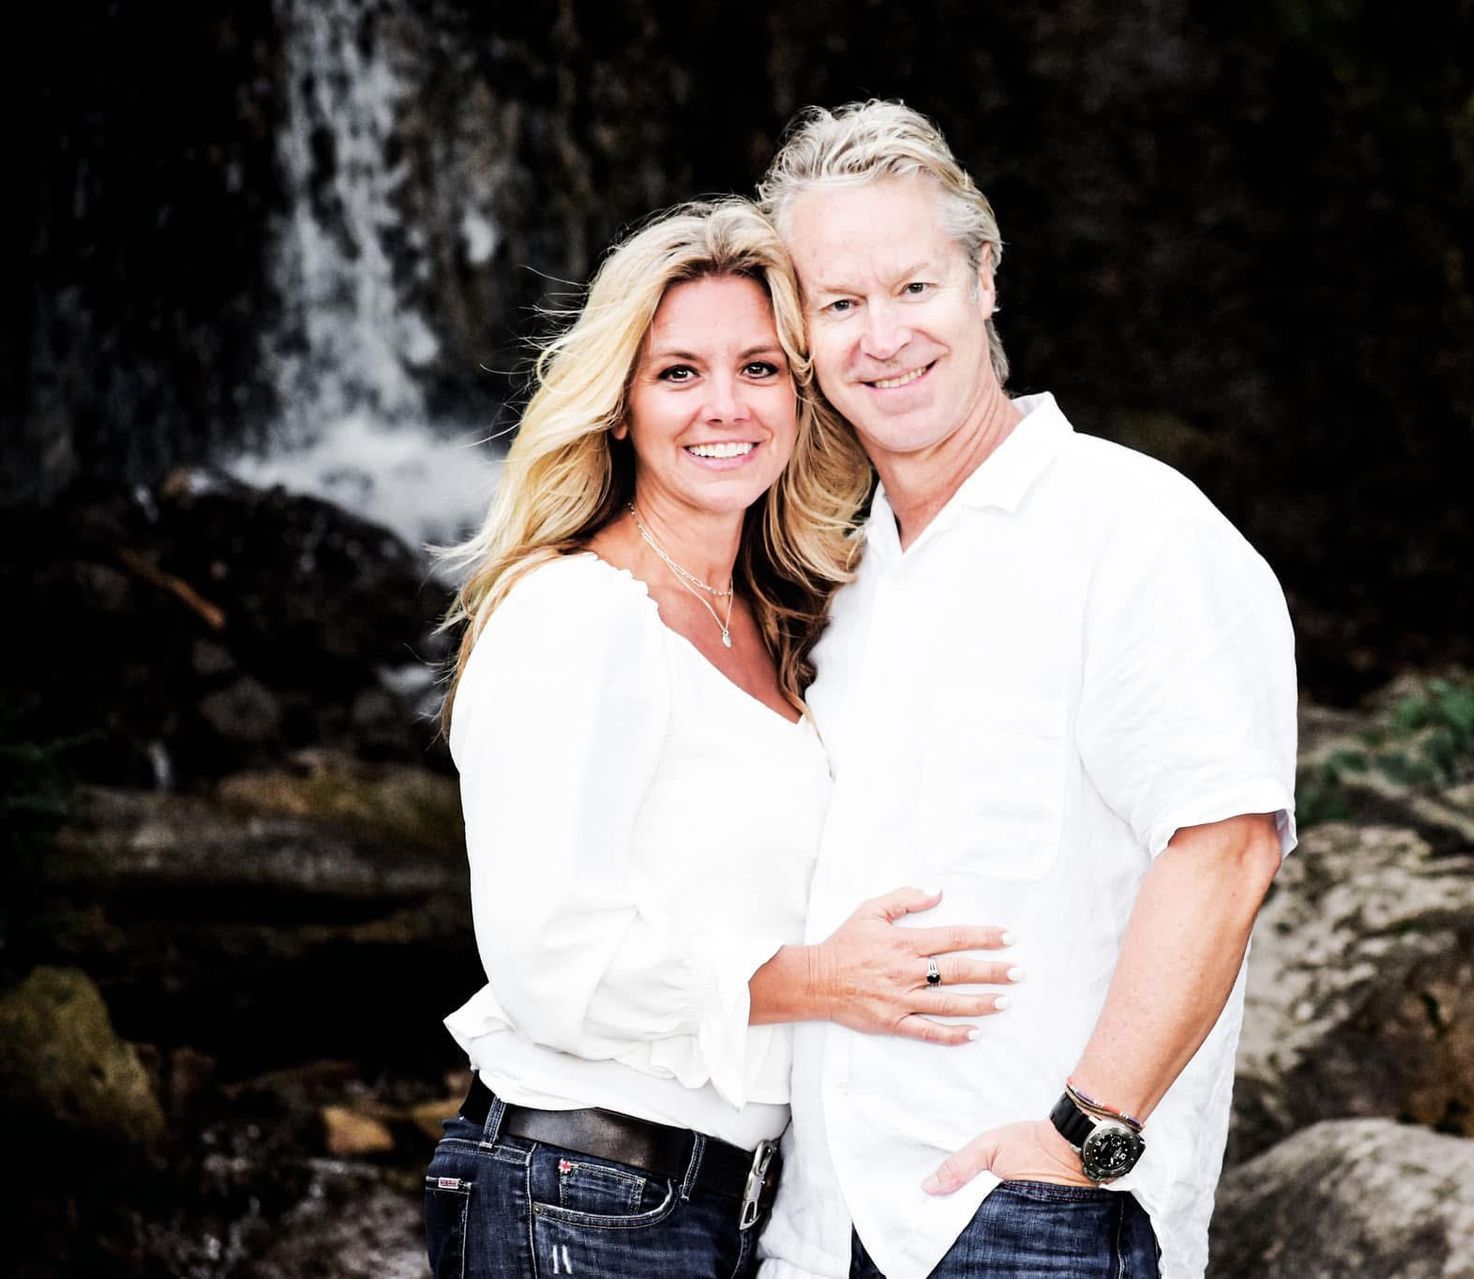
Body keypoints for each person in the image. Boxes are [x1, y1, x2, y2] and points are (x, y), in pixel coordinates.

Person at [751, 104, 1299, 1279]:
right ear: (803, 333)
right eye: (840, 305)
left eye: (914, 287)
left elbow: (1228, 844)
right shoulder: (839, 579)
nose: (882, 336)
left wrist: (1085, 1136)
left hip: (1031, 1218)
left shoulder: (1132, 528)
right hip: (824, 1225)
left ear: (985, 279)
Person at [422, 199, 1018, 1279]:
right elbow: (550, 956)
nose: (726, 407)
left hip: (735, 1203)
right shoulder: (578, 615)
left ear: (801, 393)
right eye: (679, 373)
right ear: (617, 405)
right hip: (581, 1189)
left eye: (759, 368)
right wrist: (822, 982)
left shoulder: (783, 620)